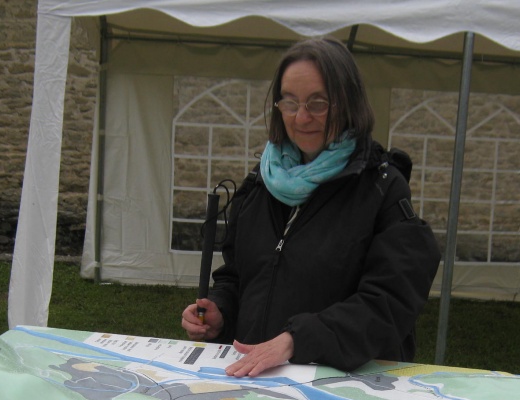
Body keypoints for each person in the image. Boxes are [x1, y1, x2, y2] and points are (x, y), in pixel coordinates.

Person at [181, 37, 441, 377]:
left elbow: (389, 303)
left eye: (318, 103)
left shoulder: (381, 188)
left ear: (348, 104)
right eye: (289, 103)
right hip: (256, 383)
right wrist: (221, 311)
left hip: (339, 391)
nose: (301, 117)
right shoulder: (261, 183)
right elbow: (240, 275)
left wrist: (295, 340)